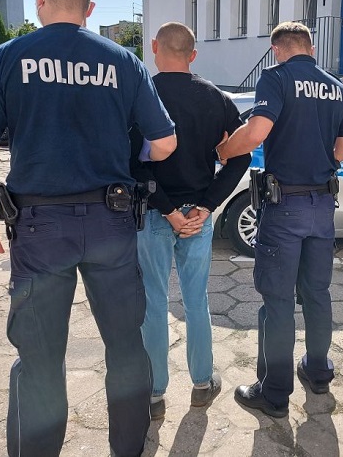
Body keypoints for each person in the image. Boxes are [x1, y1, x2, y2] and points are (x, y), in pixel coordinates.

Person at [0, 0, 177, 457]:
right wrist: (122, 154)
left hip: (40, 230)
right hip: (112, 223)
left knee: (39, 357)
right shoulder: (123, 61)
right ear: (90, 8)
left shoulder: (8, 58)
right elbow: (165, 143)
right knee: (126, 345)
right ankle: (128, 449)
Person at [215, 21, 343, 417]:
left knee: (277, 301)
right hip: (323, 206)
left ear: (277, 49)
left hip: (285, 206)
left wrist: (224, 151)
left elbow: (256, 132)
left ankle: (274, 393)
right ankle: (318, 372)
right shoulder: (337, 87)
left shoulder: (275, 78)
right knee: (317, 293)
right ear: (311, 48)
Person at [129, 22, 251, 420]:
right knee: (196, 300)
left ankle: (154, 393)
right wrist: (208, 205)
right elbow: (242, 155)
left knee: (153, 301)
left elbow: (130, 164)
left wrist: (166, 209)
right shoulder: (216, 97)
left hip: (154, 213)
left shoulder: (140, 94)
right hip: (197, 216)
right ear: (193, 54)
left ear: (154, 48)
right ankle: (202, 383)